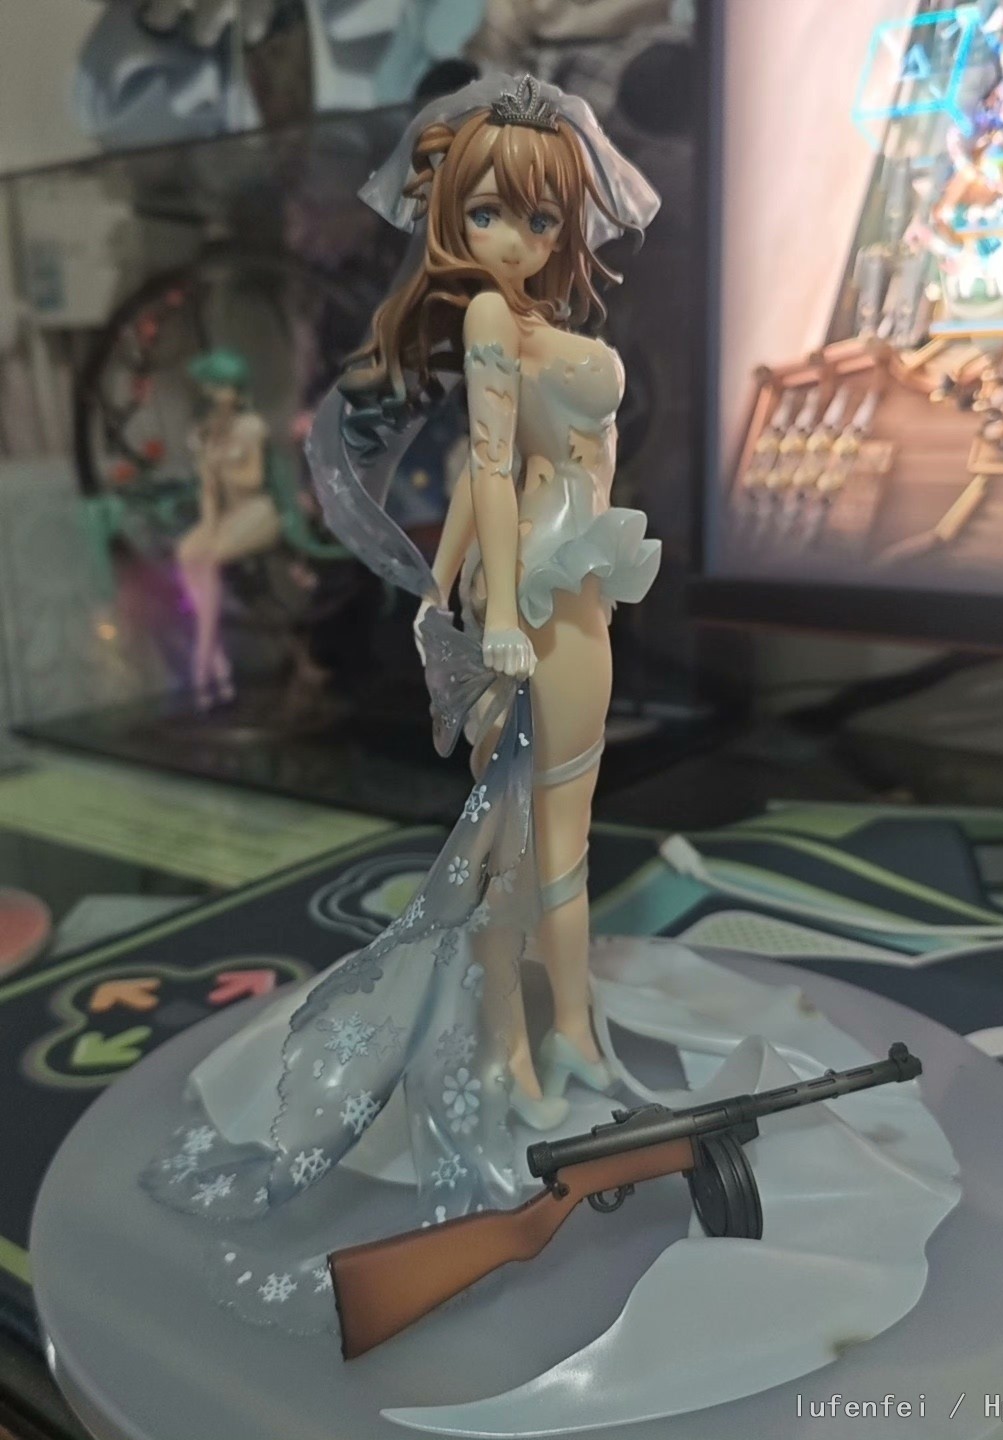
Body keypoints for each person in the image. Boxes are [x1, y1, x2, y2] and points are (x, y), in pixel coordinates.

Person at [140, 76, 661, 1314]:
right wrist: (489, 609)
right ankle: (523, 1042)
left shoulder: (542, 319)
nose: (515, 241)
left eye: (540, 218)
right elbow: (490, 473)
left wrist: (452, 590)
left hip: (583, 591)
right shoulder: (485, 316)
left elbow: (525, 466)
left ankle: (560, 1032)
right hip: (540, 597)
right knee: (519, 843)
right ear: (449, 216)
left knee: (559, 835)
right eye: (489, 214)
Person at [177, 349, 279, 707]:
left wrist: (220, 464)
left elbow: (254, 479)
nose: (217, 395)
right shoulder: (205, 434)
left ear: (237, 391)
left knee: (209, 559)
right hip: (229, 515)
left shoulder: (251, 427)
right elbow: (208, 492)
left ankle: (201, 661)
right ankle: (217, 664)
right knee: (187, 553)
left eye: (223, 387)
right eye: (212, 387)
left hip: (258, 511)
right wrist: (208, 525)